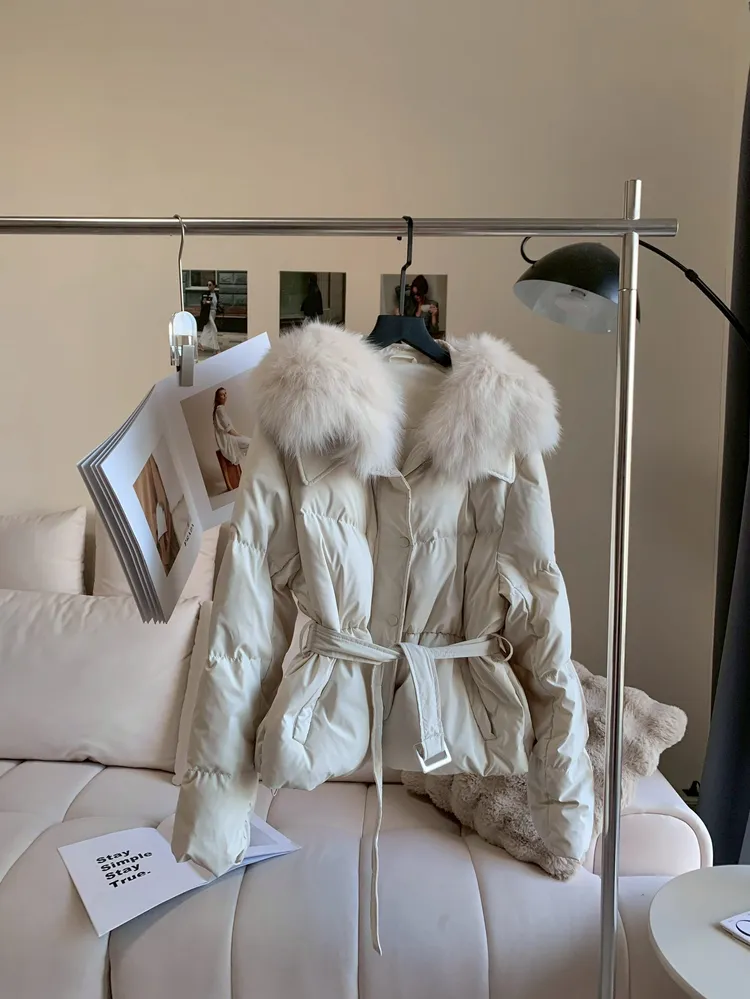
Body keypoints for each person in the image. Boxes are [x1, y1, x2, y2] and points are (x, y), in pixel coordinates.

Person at [213, 387, 252, 475]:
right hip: (227, 439)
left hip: (229, 436)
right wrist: (239, 435)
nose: (225, 396)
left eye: (225, 393)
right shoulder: (220, 409)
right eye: (222, 395)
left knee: (250, 443)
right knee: (250, 443)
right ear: (218, 398)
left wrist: (238, 434)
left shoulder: (221, 409)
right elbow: (228, 429)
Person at [393, 274, 442, 339]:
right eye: (414, 294)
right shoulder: (409, 302)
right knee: (397, 310)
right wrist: (411, 287)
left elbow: (434, 332)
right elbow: (398, 289)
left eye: (418, 294)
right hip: (408, 335)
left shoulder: (432, 304)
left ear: (424, 291)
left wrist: (434, 316)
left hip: (422, 337)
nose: (416, 297)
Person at [198, 279, 220, 352]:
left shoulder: (216, 294)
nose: (209, 286)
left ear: (214, 286)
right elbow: (203, 303)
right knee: (214, 329)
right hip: (208, 313)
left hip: (214, 313)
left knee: (207, 329)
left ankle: (200, 343)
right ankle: (216, 348)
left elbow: (216, 304)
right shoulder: (206, 294)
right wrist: (207, 302)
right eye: (208, 285)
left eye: (210, 285)